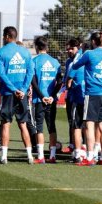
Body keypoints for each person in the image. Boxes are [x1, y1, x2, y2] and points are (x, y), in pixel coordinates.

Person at [72, 32, 102, 166]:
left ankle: (89, 157)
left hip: (92, 93)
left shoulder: (89, 54)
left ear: (93, 42)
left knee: (89, 125)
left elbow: (75, 65)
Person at [0, 26, 34, 164]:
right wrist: (23, 89)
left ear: (6, 36)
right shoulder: (25, 52)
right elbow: (30, 72)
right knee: (23, 124)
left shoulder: (1, 52)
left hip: (8, 93)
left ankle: (4, 157)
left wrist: (12, 89)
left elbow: (1, 74)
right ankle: (30, 156)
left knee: (6, 123)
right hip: (22, 94)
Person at [31, 36, 61, 164]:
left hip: (39, 100)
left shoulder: (34, 61)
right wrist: (51, 96)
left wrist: (42, 96)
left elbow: (33, 82)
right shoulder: (55, 62)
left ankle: (41, 156)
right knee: (52, 127)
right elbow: (59, 82)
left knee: (39, 128)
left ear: (37, 47)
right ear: (47, 47)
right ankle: (53, 156)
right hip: (51, 100)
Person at [66, 40, 86, 163]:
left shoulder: (76, 62)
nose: (69, 51)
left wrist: (70, 83)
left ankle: (78, 154)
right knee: (89, 125)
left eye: (71, 49)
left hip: (78, 97)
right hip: (88, 97)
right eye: (67, 49)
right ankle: (89, 152)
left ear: (78, 48)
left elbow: (67, 83)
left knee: (77, 125)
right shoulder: (73, 60)